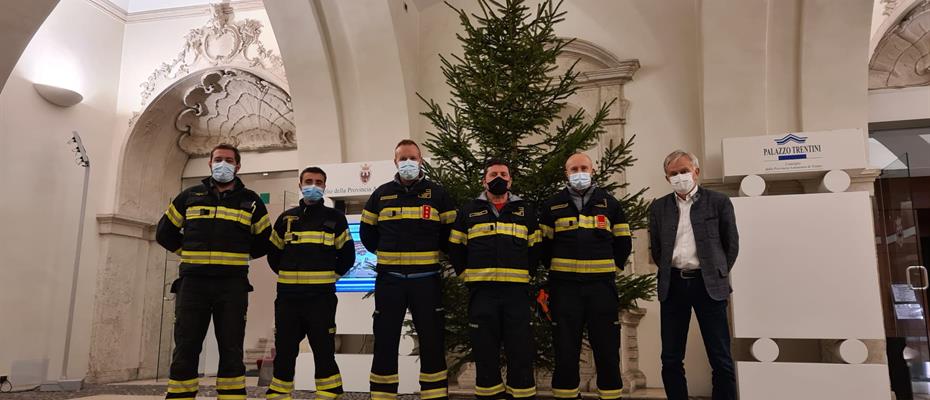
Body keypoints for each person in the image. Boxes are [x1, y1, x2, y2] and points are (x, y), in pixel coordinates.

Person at [155, 143, 271, 400]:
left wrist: (240, 255)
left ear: (238, 166)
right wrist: (185, 253)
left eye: (229, 160)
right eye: (218, 159)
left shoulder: (251, 202)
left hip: (232, 286)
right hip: (192, 284)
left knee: (231, 348)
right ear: (209, 163)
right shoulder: (189, 196)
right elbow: (164, 232)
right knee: (186, 346)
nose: (223, 164)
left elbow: (265, 241)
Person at [360, 139, 457, 400]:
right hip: (389, 280)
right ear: (395, 162)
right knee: (385, 339)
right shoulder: (381, 195)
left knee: (432, 340)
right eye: (403, 158)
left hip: (426, 281)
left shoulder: (438, 194)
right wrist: (387, 253)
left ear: (421, 160)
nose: (408, 163)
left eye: (412, 158)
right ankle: (382, 395)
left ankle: (434, 395)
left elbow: (450, 234)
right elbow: (367, 234)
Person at [539, 152, 632, 400]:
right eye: (573, 169)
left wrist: (609, 270)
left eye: (583, 167)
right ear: (566, 173)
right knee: (565, 349)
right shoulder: (552, 206)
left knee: (607, 349)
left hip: (602, 289)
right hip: (565, 290)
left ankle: (611, 396)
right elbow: (544, 248)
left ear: (593, 170)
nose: (579, 173)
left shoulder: (610, 204)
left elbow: (623, 243)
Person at [648, 150, 739, 400]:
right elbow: (656, 249)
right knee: (671, 357)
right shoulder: (658, 208)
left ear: (696, 171)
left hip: (708, 285)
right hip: (673, 286)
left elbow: (731, 246)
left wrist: (716, 271)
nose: (680, 177)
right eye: (674, 173)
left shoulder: (719, 202)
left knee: (720, 356)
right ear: (667, 178)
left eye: (684, 171)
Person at [448, 159, 540, 400]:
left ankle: (521, 394)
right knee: (484, 348)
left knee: (520, 349)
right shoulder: (468, 211)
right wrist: (465, 275)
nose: (498, 177)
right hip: (482, 293)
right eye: (493, 174)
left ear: (510, 180)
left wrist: (527, 275)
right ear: (484, 180)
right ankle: (488, 395)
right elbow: (455, 247)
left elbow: (536, 248)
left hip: (516, 294)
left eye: (503, 173)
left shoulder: (525, 211)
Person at [263, 166, 355, 400]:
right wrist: (289, 276)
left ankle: (328, 393)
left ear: (324, 186)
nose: (313, 185)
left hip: (321, 299)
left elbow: (347, 256)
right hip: (288, 299)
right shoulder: (285, 218)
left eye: (318, 182)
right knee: (285, 350)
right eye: (308, 181)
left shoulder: (335, 218)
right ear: (300, 184)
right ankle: (279, 394)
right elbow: (273, 255)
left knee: (323, 350)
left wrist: (329, 277)